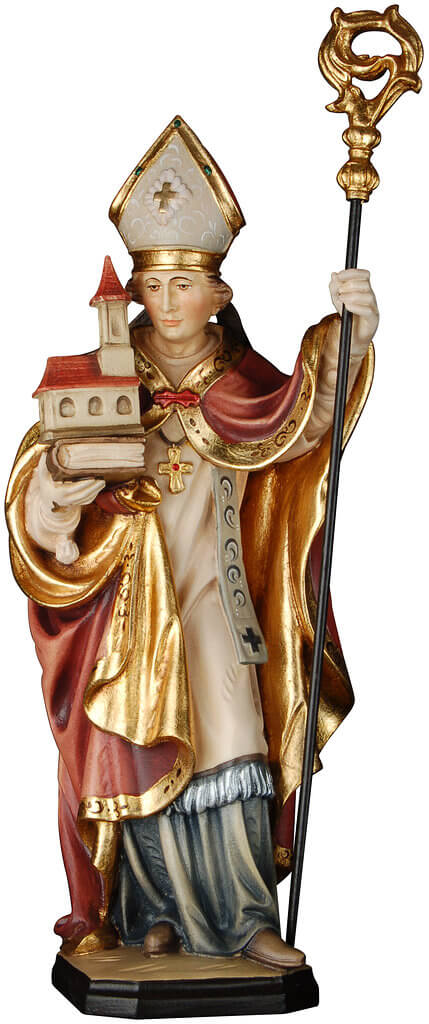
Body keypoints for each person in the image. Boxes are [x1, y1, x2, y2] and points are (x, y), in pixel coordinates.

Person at [6, 117, 378, 970]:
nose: (165, 302)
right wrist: (57, 496)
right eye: (152, 285)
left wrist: (349, 333)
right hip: (128, 611)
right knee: (138, 745)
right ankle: (151, 919)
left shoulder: (245, 387)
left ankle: (245, 919)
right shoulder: (97, 383)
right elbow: (37, 491)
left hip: (218, 599)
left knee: (232, 736)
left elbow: (304, 424)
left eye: (183, 284)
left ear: (218, 294)